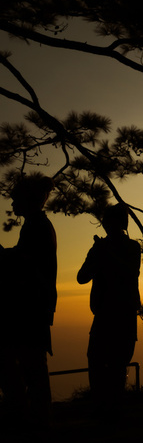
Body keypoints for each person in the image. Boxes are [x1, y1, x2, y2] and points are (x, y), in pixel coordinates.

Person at [0, 174, 57, 428]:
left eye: (15, 200)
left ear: (27, 200)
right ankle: (33, 418)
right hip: (33, 308)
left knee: (28, 367)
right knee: (30, 367)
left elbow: (24, 263)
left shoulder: (36, 227)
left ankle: (30, 419)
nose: (12, 205)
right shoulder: (37, 225)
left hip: (29, 310)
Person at [77, 203, 141, 412]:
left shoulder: (132, 247)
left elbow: (129, 273)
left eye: (109, 221)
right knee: (96, 361)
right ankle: (102, 405)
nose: (106, 226)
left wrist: (105, 253)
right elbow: (81, 277)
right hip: (104, 314)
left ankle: (113, 408)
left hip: (123, 314)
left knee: (117, 363)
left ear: (120, 224)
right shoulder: (99, 249)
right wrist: (97, 255)